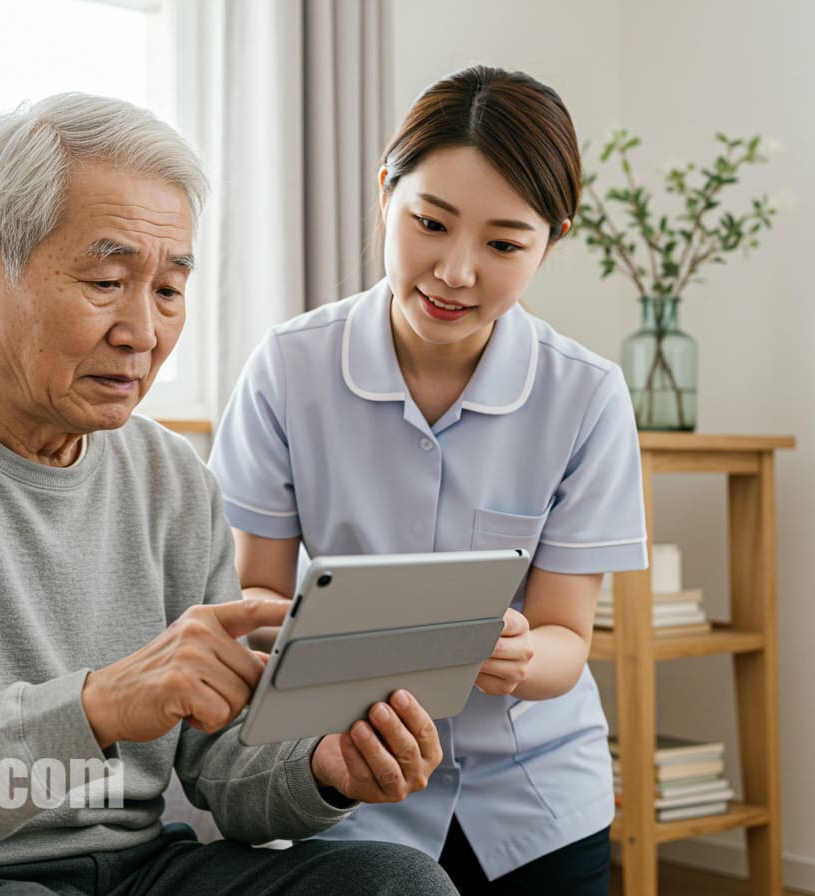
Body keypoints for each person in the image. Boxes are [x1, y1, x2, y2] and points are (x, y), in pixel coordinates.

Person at [0, 93, 456, 896]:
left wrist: (324, 768)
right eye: (107, 279)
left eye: (168, 291)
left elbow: (225, 764)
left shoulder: (170, 477)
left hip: (131, 871)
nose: (142, 333)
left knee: (397, 882)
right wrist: (94, 708)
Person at [208, 66, 649, 895]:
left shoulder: (585, 395)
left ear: (551, 241)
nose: (455, 271)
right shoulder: (288, 368)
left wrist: (520, 653)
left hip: (535, 803)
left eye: (504, 244)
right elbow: (253, 602)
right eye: (430, 223)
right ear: (386, 195)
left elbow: (565, 640)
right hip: (350, 794)